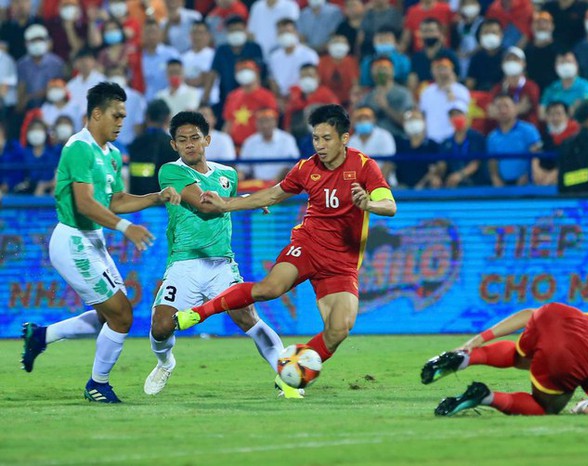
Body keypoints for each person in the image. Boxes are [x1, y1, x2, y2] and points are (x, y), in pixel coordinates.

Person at [173, 104, 396, 373]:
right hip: (308, 246)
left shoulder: (363, 166)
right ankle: (198, 313)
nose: (320, 145)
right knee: (269, 289)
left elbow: (389, 206)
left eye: (327, 139)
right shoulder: (306, 168)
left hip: (342, 262)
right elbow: (271, 196)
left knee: (339, 330)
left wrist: (369, 204)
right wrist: (225, 205)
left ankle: (292, 373)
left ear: (343, 139)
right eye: (316, 138)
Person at [20, 82, 182, 403]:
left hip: (93, 240)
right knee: (121, 315)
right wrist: (126, 228)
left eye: (124, 116)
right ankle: (98, 384)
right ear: (96, 114)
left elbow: (116, 199)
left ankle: (40, 336)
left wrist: (155, 197)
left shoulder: (112, 155)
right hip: (72, 240)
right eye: (116, 116)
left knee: (110, 316)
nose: (121, 122)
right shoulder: (78, 147)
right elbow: (85, 203)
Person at [146, 110, 301, 398]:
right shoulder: (171, 171)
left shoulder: (228, 174)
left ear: (207, 139)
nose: (189, 144)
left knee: (247, 317)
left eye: (195, 138)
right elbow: (206, 207)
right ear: (174, 146)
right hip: (184, 263)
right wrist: (249, 201)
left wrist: (243, 199)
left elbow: (224, 202)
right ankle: (166, 362)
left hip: (221, 263)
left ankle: (287, 377)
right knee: (160, 327)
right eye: (182, 140)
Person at [421, 302, 588, 416]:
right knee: (547, 408)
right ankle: (485, 396)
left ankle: (465, 357)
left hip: (555, 314)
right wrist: (582, 407)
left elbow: (529, 314)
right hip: (574, 354)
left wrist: (478, 340)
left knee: (523, 357)